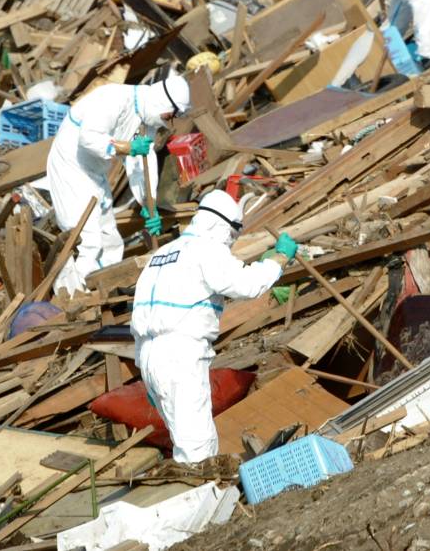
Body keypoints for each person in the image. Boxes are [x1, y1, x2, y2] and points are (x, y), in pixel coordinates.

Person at [131, 190, 297, 465]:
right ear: (223, 226)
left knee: (183, 438)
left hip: (149, 355)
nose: (231, 242)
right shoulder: (206, 249)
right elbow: (246, 284)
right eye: (233, 235)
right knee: (197, 446)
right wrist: (278, 259)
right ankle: (203, 499)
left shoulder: (161, 254)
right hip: (180, 354)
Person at [47, 71, 188, 296]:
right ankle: (73, 298)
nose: (168, 121)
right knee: (86, 238)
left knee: (109, 237)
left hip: (95, 172)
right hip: (71, 167)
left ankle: (104, 292)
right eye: (169, 115)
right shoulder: (113, 99)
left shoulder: (146, 118)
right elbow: (89, 139)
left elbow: (142, 164)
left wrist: (148, 204)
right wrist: (127, 148)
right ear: (162, 101)